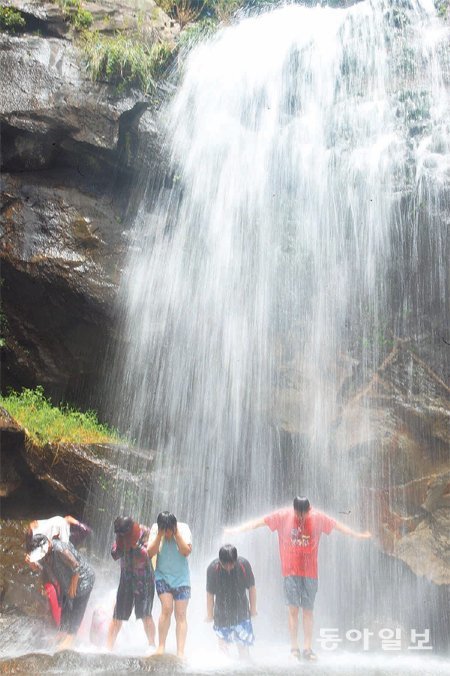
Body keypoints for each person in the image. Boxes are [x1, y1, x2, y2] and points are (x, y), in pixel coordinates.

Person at [225, 496, 371, 661]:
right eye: (298, 514)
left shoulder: (317, 517)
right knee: (293, 610)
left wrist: (357, 535)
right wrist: (236, 530)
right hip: (290, 571)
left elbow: (337, 526)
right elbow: (259, 523)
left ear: (309, 510)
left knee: (308, 611)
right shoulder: (283, 516)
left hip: (310, 572)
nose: (301, 518)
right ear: (294, 510)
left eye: (304, 514)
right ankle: (294, 648)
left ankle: (308, 649)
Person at [25, 532, 95, 650]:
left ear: (47, 543)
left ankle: (70, 639)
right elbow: (43, 569)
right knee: (65, 610)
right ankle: (63, 635)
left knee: (76, 610)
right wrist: (33, 564)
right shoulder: (45, 554)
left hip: (83, 580)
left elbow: (76, 565)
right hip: (67, 583)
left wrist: (73, 585)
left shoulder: (59, 550)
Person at [25, 515, 92, 627]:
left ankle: (68, 625)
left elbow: (74, 566)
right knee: (56, 591)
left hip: (62, 561)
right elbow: (39, 566)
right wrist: (32, 563)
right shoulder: (36, 537)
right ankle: (62, 625)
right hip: (52, 558)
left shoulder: (61, 541)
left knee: (66, 593)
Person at [107, 516, 156, 652]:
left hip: (144, 580)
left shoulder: (145, 531)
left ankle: (152, 646)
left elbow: (149, 554)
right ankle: (108, 648)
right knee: (118, 615)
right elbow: (114, 555)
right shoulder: (120, 534)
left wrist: (135, 545)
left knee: (146, 615)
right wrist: (121, 544)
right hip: (126, 579)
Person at [147, 512, 192, 658]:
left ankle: (180, 651)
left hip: (182, 579)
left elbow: (186, 552)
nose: (167, 533)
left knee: (181, 614)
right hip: (162, 576)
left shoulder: (183, 529)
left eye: (168, 530)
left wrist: (176, 534)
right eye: (164, 530)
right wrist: (159, 535)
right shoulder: (156, 529)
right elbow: (150, 553)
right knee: (166, 609)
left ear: (173, 527)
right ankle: (161, 646)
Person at [206, 544, 257, 660]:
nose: (228, 567)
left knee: (243, 648)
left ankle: (245, 667)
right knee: (223, 647)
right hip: (221, 612)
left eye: (231, 564)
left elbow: (252, 588)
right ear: (220, 561)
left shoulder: (244, 565)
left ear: (236, 560)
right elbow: (210, 593)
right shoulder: (212, 569)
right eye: (225, 564)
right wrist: (209, 614)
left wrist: (253, 609)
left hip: (241, 611)